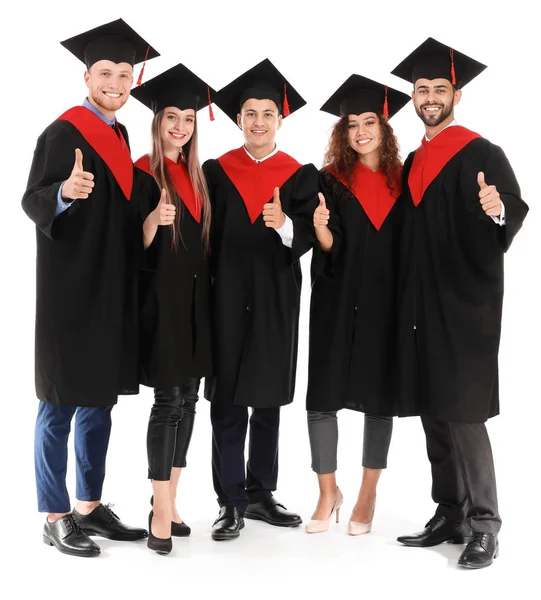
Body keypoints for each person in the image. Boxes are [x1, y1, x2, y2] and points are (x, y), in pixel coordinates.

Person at [21, 19, 159, 558]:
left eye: (125, 75)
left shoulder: (122, 137)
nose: (116, 83)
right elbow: (32, 199)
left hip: (110, 290)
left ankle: (88, 505)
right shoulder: (63, 133)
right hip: (68, 293)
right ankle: (54, 514)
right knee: (59, 403)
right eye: (106, 73)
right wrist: (64, 191)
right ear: (86, 76)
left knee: (99, 402)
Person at [390, 37, 529, 569]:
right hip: (421, 306)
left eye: (438, 88)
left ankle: (485, 524)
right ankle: (449, 511)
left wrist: (497, 209)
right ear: (414, 95)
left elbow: (512, 208)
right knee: (433, 410)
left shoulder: (481, 152)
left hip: (467, 305)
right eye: (422, 88)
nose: (429, 96)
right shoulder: (414, 162)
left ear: (456, 94)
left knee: (465, 413)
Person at [203, 59, 319, 540]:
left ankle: (260, 494)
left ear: (280, 119)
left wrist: (284, 224)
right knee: (228, 401)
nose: (257, 121)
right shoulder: (214, 170)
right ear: (238, 118)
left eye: (267, 114)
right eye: (249, 113)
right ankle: (230, 500)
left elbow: (311, 233)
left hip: (275, 300)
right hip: (224, 299)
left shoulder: (298, 174)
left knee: (268, 399)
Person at [305, 76, 411, 535]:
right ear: (342, 133)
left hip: (386, 302)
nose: (361, 131)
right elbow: (326, 246)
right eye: (352, 124)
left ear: (384, 129)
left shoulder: (405, 182)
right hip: (337, 298)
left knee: (379, 395)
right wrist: (322, 228)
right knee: (322, 394)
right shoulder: (328, 181)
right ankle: (329, 491)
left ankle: (367, 492)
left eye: (370, 122)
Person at [131, 63, 215, 554]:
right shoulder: (143, 173)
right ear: (158, 122)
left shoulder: (198, 177)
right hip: (161, 304)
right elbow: (128, 247)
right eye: (171, 118)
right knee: (167, 403)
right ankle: (159, 509)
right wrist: (151, 221)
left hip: (196, 306)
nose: (180, 126)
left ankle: (172, 500)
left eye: (188, 117)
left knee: (189, 401)